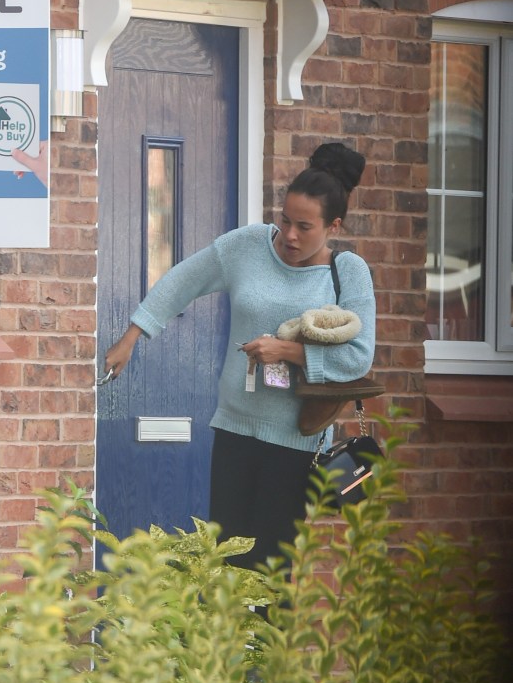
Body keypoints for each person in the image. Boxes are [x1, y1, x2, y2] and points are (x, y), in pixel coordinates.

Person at [102, 142, 376, 575]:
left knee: (271, 571)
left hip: (296, 443)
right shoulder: (247, 245)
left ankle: (267, 646)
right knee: (223, 563)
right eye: (285, 220)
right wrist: (133, 334)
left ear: (333, 225)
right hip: (233, 429)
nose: (289, 235)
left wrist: (285, 350)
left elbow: (358, 358)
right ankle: (225, 646)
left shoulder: (349, 272)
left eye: (304, 227)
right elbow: (182, 280)